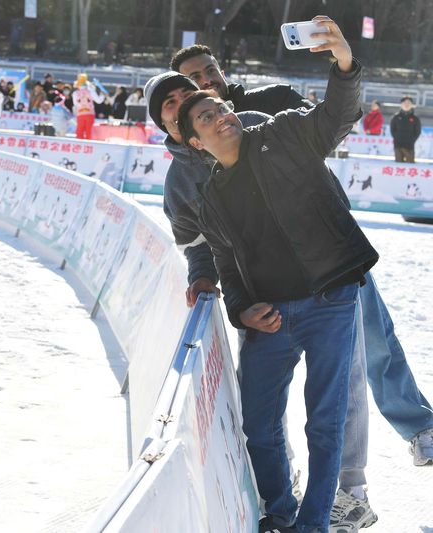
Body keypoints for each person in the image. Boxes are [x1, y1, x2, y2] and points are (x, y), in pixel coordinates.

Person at [158, 42, 433, 532]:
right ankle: (287, 501)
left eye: (207, 75)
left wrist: (342, 65)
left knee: (365, 358)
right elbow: (207, 244)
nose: (205, 87)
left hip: (333, 266)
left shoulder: (267, 111)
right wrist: (217, 288)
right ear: (176, 128)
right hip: (269, 293)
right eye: (185, 92)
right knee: (268, 411)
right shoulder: (189, 180)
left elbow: (326, 126)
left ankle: (362, 480)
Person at [177, 17, 376, 531]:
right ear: (196, 143)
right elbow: (226, 266)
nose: (220, 115)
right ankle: (280, 514)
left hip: (332, 299)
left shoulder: (285, 131)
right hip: (270, 319)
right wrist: (243, 310)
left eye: (220, 107)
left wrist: (345, 62)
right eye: (206, 118)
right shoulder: (210, 200)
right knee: (260, 426)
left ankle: (313, 524)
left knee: (324, 423)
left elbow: (338, 114)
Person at [171, 44, 312, 116]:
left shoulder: (278, 97)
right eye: (195, 77)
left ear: (223, 74)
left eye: (211, 71)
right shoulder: (190, 136)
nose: (207, 80)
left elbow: (326, 127)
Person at [390, 96, 422, 163]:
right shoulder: (396, 117)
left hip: (409, 145)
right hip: (398, 145)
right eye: (405, 103)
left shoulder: (415, 118)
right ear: (401, 104)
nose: (407, 104)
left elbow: (418, 131)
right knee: (398, 165)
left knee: (410, 165)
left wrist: (412, 140)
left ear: (412, 105)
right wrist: (397, 138)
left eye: (409, 103)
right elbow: (392, 130)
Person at [73, 73, 102, 139]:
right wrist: (102, 95)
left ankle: (79, 146)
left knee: (79, 131)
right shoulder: (91, 91)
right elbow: (99, 101)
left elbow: (75, 104)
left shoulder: (75, 93)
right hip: (90, 114)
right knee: (89, 132)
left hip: (80, 114)